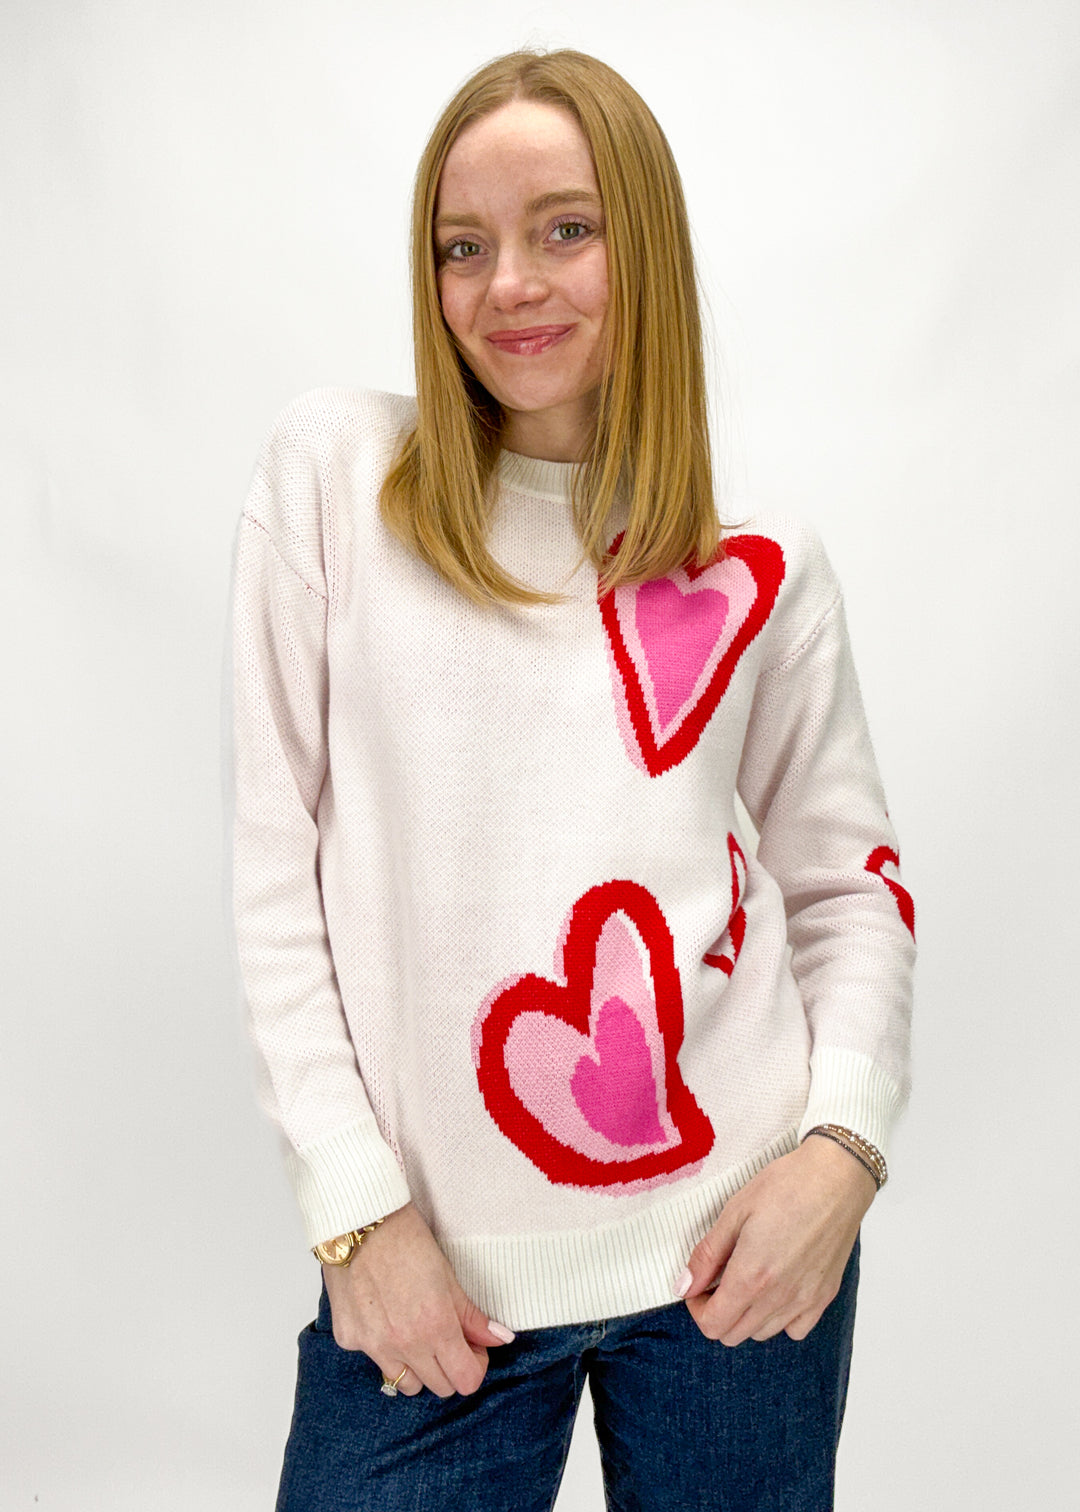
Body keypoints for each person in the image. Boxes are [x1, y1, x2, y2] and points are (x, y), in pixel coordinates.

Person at [226, 45, 915, 1512]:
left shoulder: (757, 569)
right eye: (461, 247)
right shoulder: (340, 482)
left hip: (738, 1254)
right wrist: (357, 1221)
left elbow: (854, 889)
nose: (509, 285)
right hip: (433, 1289)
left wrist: (840, 1154)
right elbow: (271, 863)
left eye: (566, 229)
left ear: (643, 246)